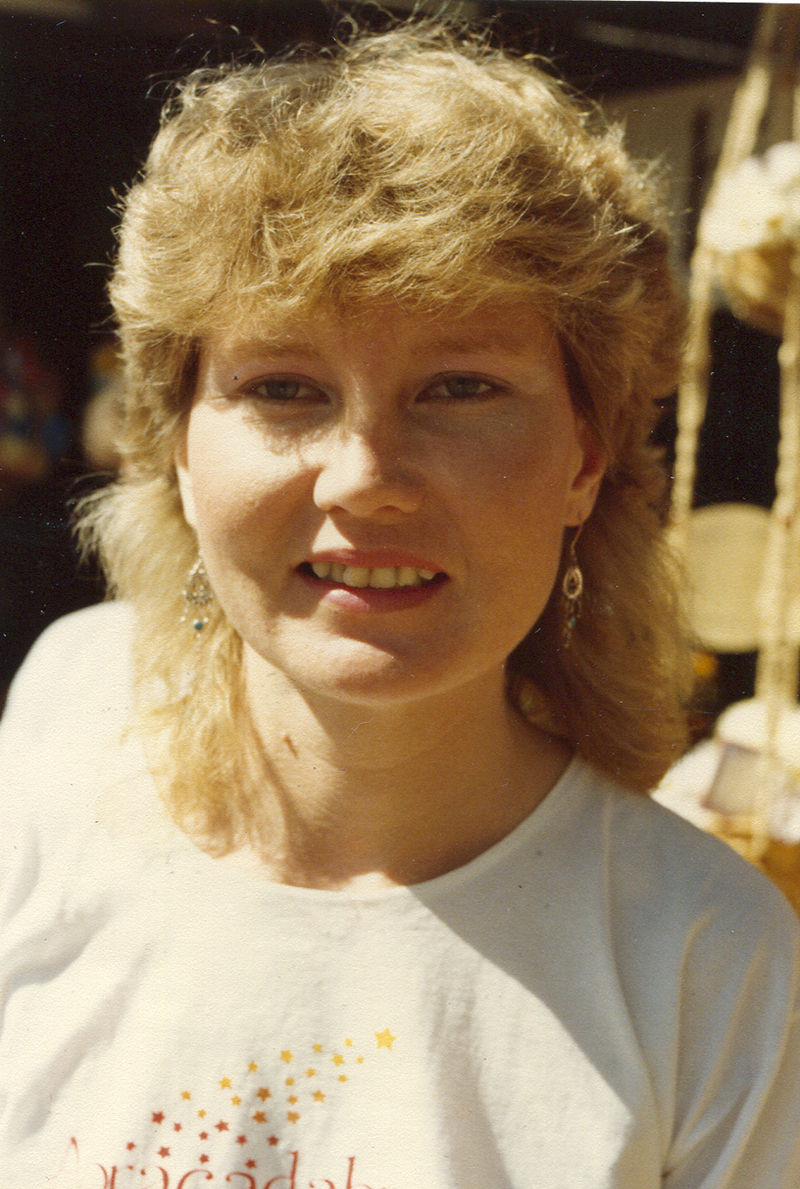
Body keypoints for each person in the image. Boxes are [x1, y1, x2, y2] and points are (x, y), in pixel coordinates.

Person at [1, 21, 798, 1189]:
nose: (365, 475)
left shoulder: (706, 964)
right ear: (176, 446)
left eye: (459, 386)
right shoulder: (56, 739)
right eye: (283, 387)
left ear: (585, 457)